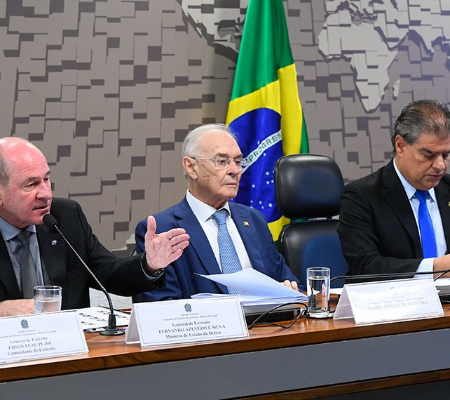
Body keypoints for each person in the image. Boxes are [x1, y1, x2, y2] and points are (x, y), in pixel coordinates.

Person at [0, 137, 189, 316]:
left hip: (68, 336)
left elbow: (108, 272)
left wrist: (150, 264)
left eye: (46, 179)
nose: (46, 194)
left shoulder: (65, 216)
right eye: (31, 184)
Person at [134, 123, 303, 302]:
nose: (235, 171)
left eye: (237, 161)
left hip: (267, 320)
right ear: (191, 167)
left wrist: (289, 291)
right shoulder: (163, 230)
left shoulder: (254, 220)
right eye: (222, 161)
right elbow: (159, 306)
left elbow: (293, 286)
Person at [337, 99, 450, 279]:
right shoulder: (361, 196)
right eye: (429, 154)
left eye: (445, 155)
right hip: (394, 295)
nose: (440, 166)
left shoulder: (447, 188)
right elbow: (365, 266)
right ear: (400, 145)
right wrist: (436, 268)